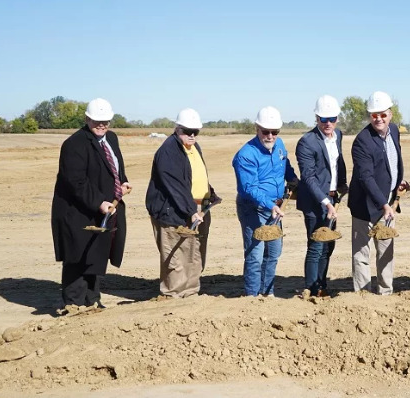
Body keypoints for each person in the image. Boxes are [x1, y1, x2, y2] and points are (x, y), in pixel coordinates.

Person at [51, 98, 132, 310]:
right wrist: (99, 202)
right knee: (78, 256)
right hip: (77, 211)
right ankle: (73, 303)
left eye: (105, 121)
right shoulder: (74, 144)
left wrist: (122, 182)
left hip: (103, 208)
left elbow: (115, 166)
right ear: (87, 119)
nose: (101, 125)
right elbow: (76, 182)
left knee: (96, 254)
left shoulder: (111, 139)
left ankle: (92, 300)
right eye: (97, 121)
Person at [145, 108, 220, 298]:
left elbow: (196, 176)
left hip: (197, 209)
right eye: (188, 131)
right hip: (174, 212)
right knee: (177, 257)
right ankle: (173, 295)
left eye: (196, 131)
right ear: (177, 129)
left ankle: (191, 293)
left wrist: (209, 194)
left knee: (195, 254)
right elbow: (174, 186)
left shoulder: (193, 147)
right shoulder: (169, 152)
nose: (192, 135)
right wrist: (190, 210)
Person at [348, 91, 410, 295]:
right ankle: (363, 294)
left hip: (387, 204)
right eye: (374, 115)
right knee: (361, 254)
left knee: (386, 252)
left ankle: (385, 291)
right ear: (369, 116)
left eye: (383, 114)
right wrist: (384, 204)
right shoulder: (362, 141)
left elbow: (390, 161)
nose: (379, 119)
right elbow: (366, 177)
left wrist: (397, 180)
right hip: (365, 207)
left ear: (390, 114)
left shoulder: (394, 131)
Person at [233, 106, 298, 297]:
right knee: (255, 254)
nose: (270, 136)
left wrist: (294, 180)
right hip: (253, 208)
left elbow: (286, 167)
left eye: (274, 132)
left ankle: (267, 293)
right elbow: (249, 188)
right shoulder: (246, 154)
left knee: (274, 252)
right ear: (257, 128)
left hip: (275, 207)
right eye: (266, 132)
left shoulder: (280, 146)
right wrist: (271, 206)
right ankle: (252, 296)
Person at [296, 95, 348, 297]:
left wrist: (342, 185)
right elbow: (308, 177)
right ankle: (311, 287)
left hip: (332, 198)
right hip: (315, 202)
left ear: (337, 118)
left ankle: (322, 285)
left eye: (332, 119)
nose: (328, 123)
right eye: (323, 119)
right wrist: (326, 202)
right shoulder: (307, 142)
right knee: (316, 245)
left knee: (328, 245)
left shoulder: (338, 136)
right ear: (316, 118)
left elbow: (337, 163)